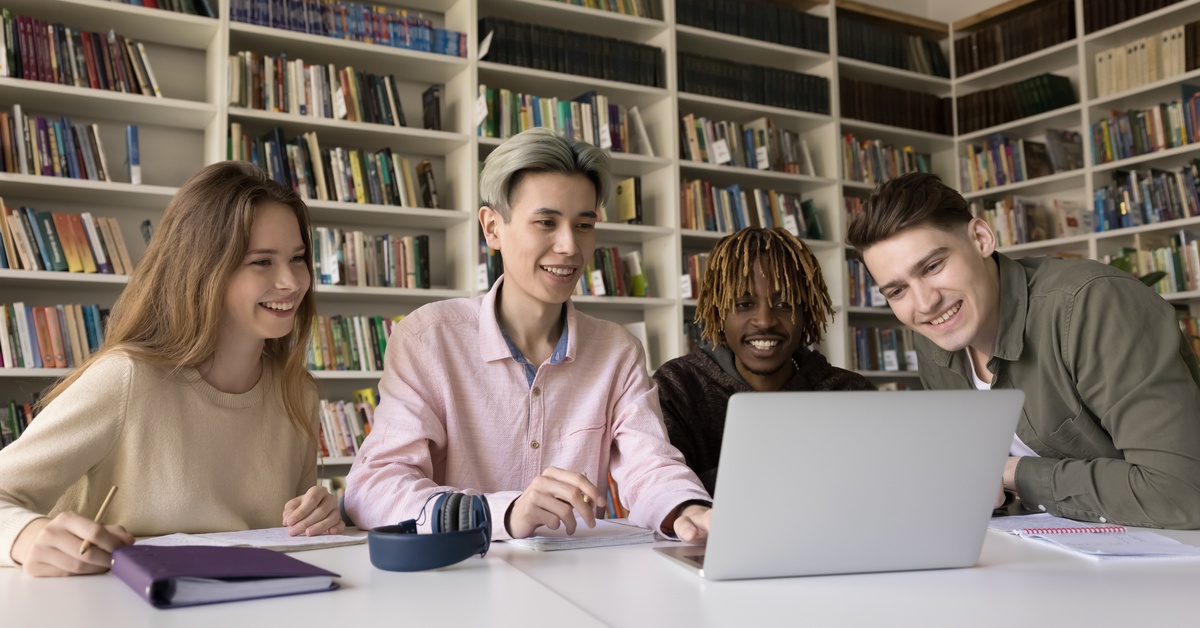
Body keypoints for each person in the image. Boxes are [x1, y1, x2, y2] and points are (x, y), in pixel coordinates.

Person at [344, 128, 712, 541]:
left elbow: (650, 464)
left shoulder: (618, 351)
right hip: (458, 581)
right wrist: (503, 511)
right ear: (492, 228)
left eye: (584, 224)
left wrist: (687, 507)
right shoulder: (427, 338)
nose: (570, 246)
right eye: (546, 222)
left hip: (576, 584)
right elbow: (373, 487)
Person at [0, 161, 344, 577]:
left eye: (298, 258)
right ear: (202, 269)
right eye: (262, 262)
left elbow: (293, 531)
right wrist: (28, 536)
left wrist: (319, 514)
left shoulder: (297, 392)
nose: (292, 281)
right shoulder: (126, 379)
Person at [846, 172, 1200, 529]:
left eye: (933, 266)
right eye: (897, 291)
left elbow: (1181, 493)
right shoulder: (934, 336)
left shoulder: (1091, 304)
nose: (925, 303)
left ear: (981, 239)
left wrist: (1015, 474)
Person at [655, 227, 874, 495]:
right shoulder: (678, 387)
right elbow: (661, 491)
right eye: (744, 304)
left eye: (784, 304)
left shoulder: (850, 394)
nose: (765, 321)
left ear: (806, 313)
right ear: (718, 313)